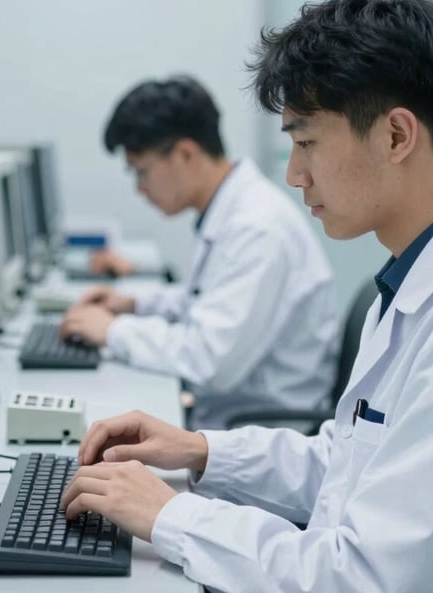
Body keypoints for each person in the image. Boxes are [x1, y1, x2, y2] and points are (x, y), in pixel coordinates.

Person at [60, 0, 433, 593]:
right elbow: (348, 461)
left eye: (306, 143)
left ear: (395, 135)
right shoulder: (421, 273)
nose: (294, 175)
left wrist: (171, 515)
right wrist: (203, 451)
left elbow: (367, 592)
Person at [59, 74, 338, 430]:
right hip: (230, 414)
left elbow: (209, 361)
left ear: (185, 154)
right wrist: (135, 305)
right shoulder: (233, 211)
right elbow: (205, 301)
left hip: (259, 434)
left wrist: (113, 331)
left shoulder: (257, 229)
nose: (139, 189)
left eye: (141, 172)